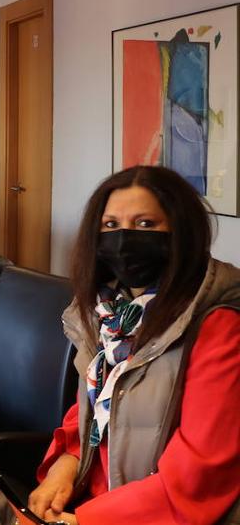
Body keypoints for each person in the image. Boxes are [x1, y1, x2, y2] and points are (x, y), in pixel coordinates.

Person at [27, 166, 240, 525]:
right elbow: (94, 407)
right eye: (111, 225)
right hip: (98, 503)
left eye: (145, 225)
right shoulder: (112, 311)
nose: (124, 239)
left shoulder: (219, 324)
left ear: (181, 232)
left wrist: (86, 520)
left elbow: (201, 473)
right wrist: (66, 464)